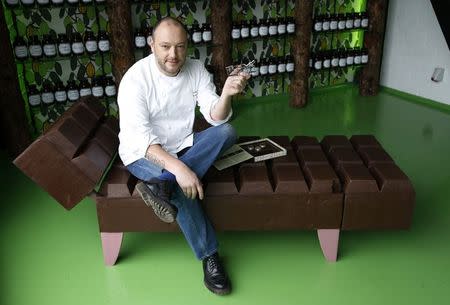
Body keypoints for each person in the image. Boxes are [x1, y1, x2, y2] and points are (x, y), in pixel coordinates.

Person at [117, 16, 250, 295]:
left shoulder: (195, 69)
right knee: (177, 184)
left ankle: (161, 187)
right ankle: (209, 255)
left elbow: (215, 117)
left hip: (182, 144)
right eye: (165, 46)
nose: (172, 55)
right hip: (142, 154)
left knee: (226, 132)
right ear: (151, 45)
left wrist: (225, 94)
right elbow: (139, 139)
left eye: (179, 47)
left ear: (187, 45)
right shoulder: (134, 81)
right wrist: (179, 169)